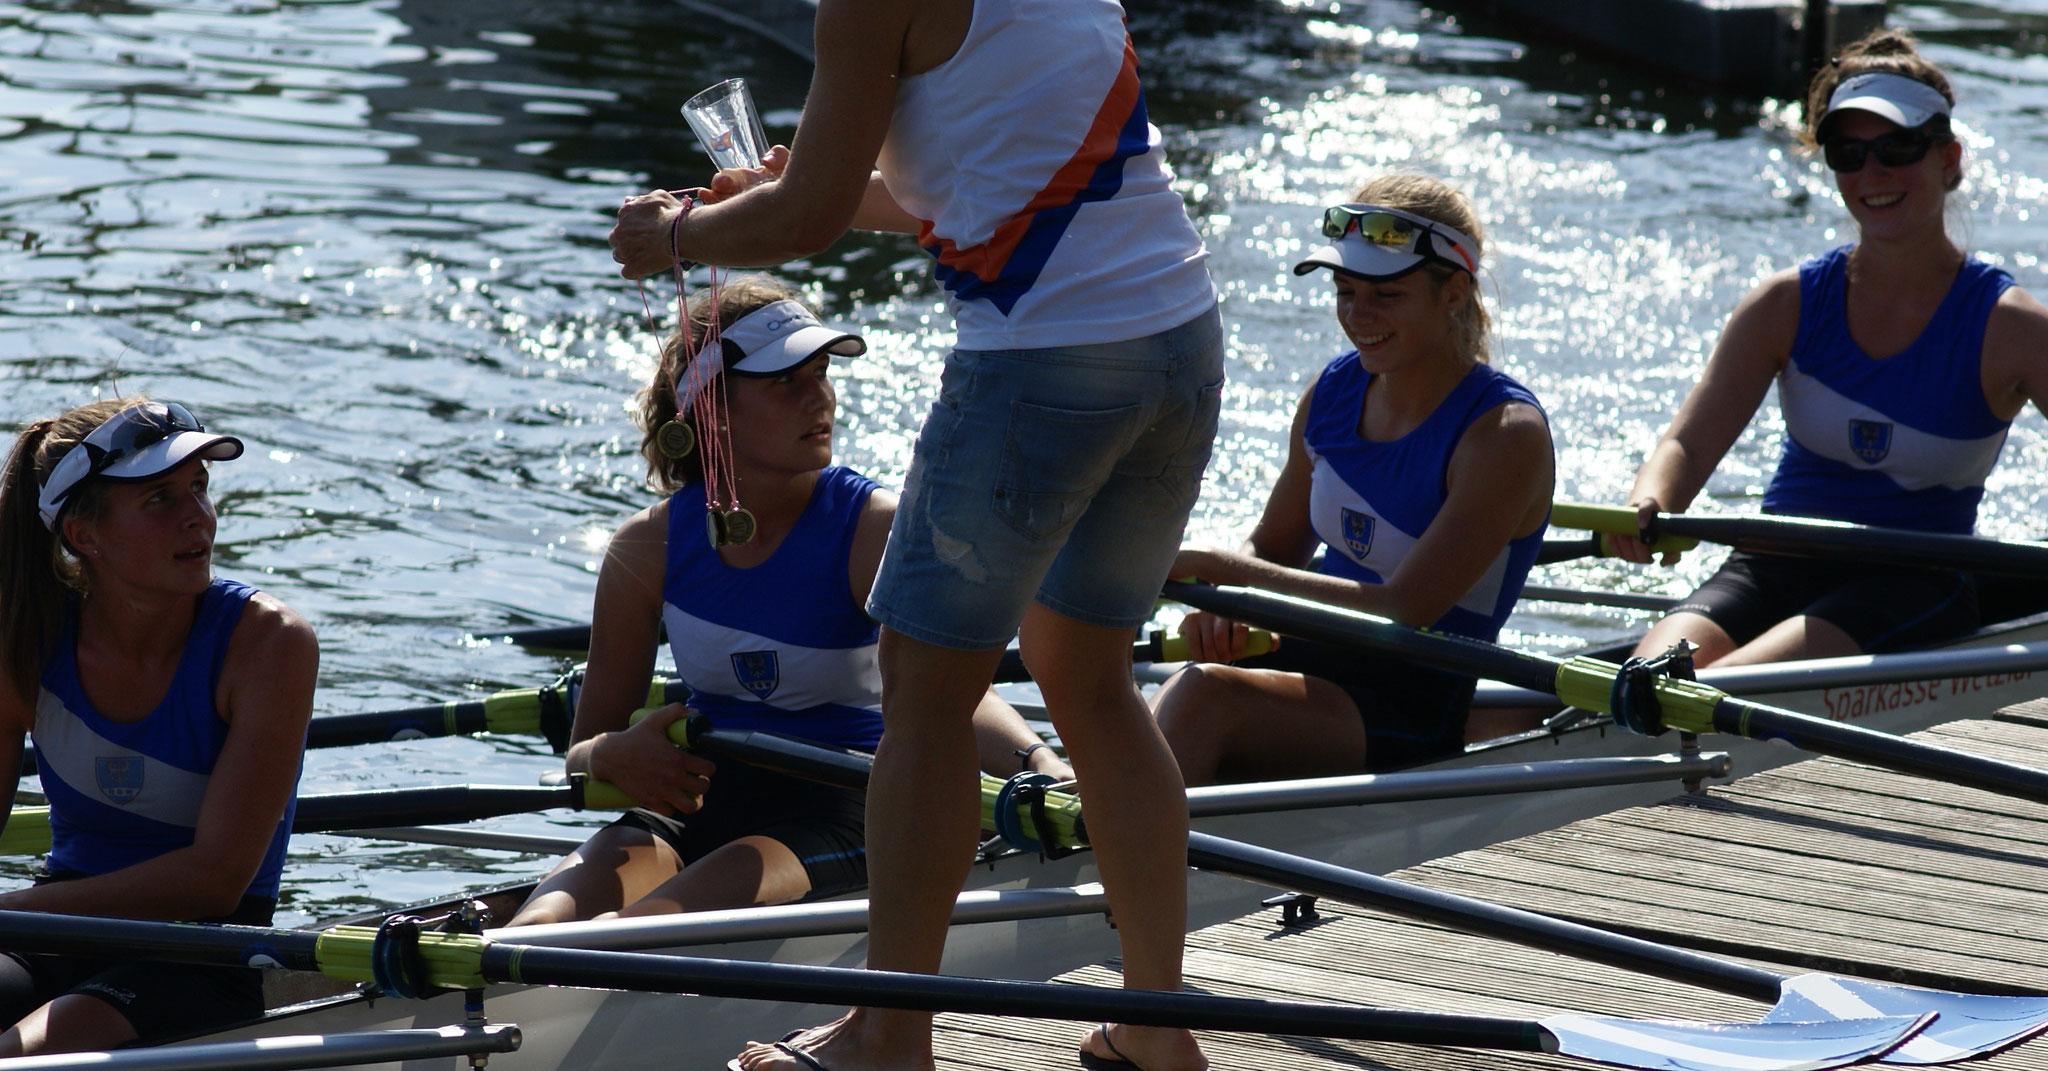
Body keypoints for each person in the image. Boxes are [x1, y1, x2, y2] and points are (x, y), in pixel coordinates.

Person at [610, 2, 1223, 1067]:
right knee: (1091, 679)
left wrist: (675, 237)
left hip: (1042, 359)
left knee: (924, 692)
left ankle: (889, 1033)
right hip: (1177, 341)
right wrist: (801, 193)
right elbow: (985, 188)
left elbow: (797, 229)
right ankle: (1155, 1027)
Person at [506, 278, 1070, 927]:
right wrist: (608, 753)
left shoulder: (870, 529)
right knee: (536, 930)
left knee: (643, 930)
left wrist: (1041, 765)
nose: (821, 397)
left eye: (823, 373)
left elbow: (952, 690)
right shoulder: (647, 547)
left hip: (849, 800)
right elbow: (584, 748)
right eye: (786, 382)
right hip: (699, 800)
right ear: (713, 410)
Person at [1616, 29, 2048, 669]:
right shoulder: (1784, 305)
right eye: (1848, 153)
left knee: (1705, 693)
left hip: (1912, 580)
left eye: (1896, 148)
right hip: (1773, 562)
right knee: (1647, 677)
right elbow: (1688, 443)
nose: (1872, 173)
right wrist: (1649, 501)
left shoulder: (2010, 327)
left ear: (1949, 160)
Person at [1155, 174, 1553, 784]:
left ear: (1453, 292)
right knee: (1124, 700)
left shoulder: (1504, 435)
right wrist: (1227, 607)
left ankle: (1100, 854)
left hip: (1408, 699)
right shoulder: (1335, 391)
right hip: (1306, 653)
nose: (1357, 316)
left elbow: (1405, 606)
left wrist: (1225, 570)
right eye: (1344, 290)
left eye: (1386, 296)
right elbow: (1276, 546)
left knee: (1202, 698)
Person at [0, 398, 315, 1056]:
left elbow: (216, 877)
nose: (197, 516)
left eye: (198, 487)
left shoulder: (269, 643)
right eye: (160, 498)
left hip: (203, 948)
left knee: (21, 1055)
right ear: (85, 535)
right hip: (59, 932)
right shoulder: (24, 639)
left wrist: (16, 912)